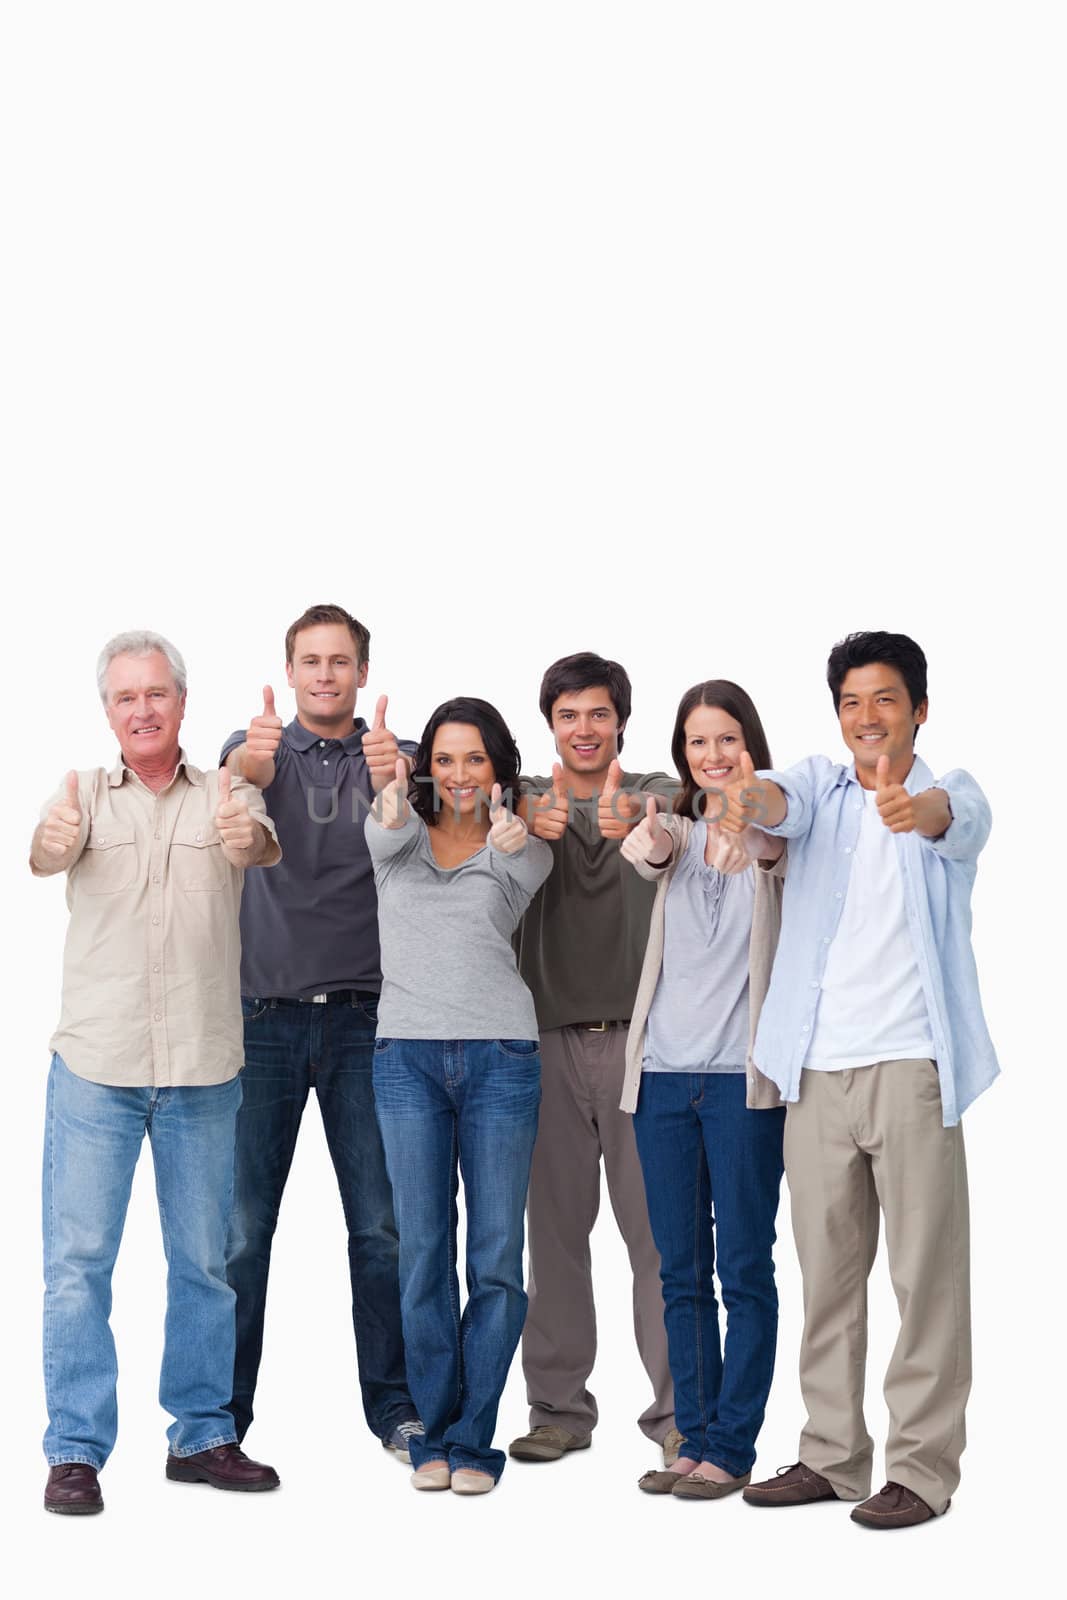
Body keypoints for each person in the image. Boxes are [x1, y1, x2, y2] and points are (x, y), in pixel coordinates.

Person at [723, 632, 998, 1530]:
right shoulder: (816, 783)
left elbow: (952, 823)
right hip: (815, 1068)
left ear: (918, 707)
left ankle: (920, 1469)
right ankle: (829, 1458)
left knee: (925, 1278)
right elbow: (775, 805)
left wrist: (911, 811)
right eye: (850, 702)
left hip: (912, 1064)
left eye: (884, 699)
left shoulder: (949, 792)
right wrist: (745, 794)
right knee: (827, 1278)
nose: (865, 717)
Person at [32, 631, 281, 1516]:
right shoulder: (81, 799)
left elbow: (256, 850)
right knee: (77, 1267)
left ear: (182, 703)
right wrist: (51, 836)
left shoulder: (229, 793)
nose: (142, 709)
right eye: (125, 697)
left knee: (206, 1263)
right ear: (109, 712)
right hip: (96, 1067)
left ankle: (202, 1434)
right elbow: (43, 854)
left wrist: (242, 830)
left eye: (157, 694)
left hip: (203, 1070)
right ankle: (74, 1450)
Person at [221, 603, 421, 1461]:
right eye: (311, 661)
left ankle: (395, 1408)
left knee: (380, 1226)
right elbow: (231, 767)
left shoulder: (396, 758)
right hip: (260, 1017)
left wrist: (399, 780)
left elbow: (430, 839)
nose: (325, 675)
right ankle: (217, 1419)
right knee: (239, 1230)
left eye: (340, 662)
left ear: (362, 673)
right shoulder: (256, 749)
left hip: (366, 1020)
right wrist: (248, 762)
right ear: (291, 670)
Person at [366, 698, 552, 1494]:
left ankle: (475, 1437)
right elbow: (385, 820)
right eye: (443, 759)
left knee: (497, 1259)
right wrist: (386, 781)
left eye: (474, 759)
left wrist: (521, 820)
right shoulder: (396, 838)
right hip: (404, 1055)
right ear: (424, 767)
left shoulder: (521, 849)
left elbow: (532, 845)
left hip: (501, 1055)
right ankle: (433, 1433)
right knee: (421, 1254)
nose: (458, 774)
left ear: (498, 766)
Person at [508, 652, 679, 1466]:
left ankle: (681, 1417)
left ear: (619, 723)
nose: (583, 728)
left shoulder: (655, 791)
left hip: (643, 1046)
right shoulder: (521, 803)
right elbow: (430, 790)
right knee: (555, 1238)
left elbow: (717, 797)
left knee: (658, 1239)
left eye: (598, 714)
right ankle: (557, 1411)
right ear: (550, 724)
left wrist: (641, 814)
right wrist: (516, 822)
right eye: (569, 715)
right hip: (543, 1044)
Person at [618, 681, 787, 1500]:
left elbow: (769, 850)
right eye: (696, 743)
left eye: (726, 740)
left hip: (740, 1086)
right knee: (677, 1271)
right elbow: (645, 853)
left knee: (744, 1268)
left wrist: (750, 810)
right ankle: (689, 1434)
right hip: (660, 1080)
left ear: (749, 744)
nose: (711, 756)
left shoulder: (776, 836)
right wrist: (652, 832)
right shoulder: (674, 834)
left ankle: (733, 1443)